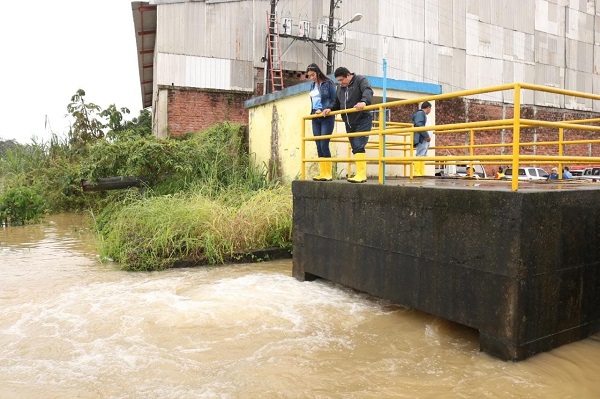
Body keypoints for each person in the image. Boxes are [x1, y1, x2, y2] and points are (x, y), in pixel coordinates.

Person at [323, 67, 373, 183]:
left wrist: (363, 101)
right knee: (355, 146)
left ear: (348, 75)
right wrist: (329, 108)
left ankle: (361, 174)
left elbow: (368, 91)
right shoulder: (340, 88)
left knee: (359, 145)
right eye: (338, 81)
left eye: (341, 80)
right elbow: (336, 102)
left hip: (362, 118)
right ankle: (359, 174)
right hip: (349, 121)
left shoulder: (361, 80)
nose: (340, 83)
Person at [306, 63, 337, 181]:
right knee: (318, 144)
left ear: (318, 72)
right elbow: (314, 101)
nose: (312, 77)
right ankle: (322, 172)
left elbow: (335, 99)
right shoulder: (312, 85)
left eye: (313, 75)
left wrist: (326, 109)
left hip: (326, 116)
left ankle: (328, 173)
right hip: (315, 116)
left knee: (324, 143)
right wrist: (314, 112)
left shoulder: (328, 83)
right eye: (309, 76)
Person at [411, 101, 432, 176]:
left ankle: (421, 173)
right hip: (422, 138)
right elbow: (419, 125)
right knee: (420, 154)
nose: (430, 111)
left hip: (424, 138)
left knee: (422, 155)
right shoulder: (420, 114)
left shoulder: (423, 115)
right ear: (428, 107)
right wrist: (426, 135)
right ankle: (417, 173)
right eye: (430, 109)